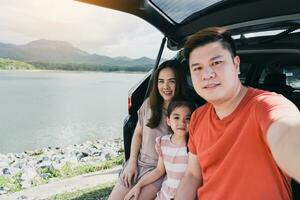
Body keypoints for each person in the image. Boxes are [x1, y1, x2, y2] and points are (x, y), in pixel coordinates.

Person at [175, 27, 300, 200]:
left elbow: (288, 135)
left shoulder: (266, 106)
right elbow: (192, 175)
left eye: (216, 63)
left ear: (236, 64)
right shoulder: (197, 117)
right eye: (197, 68)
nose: (207, 75)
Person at [108, 60, 186, 200]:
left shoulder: (183, 114)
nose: (165, 86)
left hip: (159, 172)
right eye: (161, 81)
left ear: (179, 83)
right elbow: (138, 134)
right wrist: (132, 162)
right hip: (138, 164)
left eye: (171, 81)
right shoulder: (149, 104)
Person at [124, 97, 195, 200]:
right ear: (168, 121)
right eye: (176, 117)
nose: (182, 122)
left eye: (187, 118)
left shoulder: (194, 145)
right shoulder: (163, 142)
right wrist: (138, 186)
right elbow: (159, 170)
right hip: (164, 195)